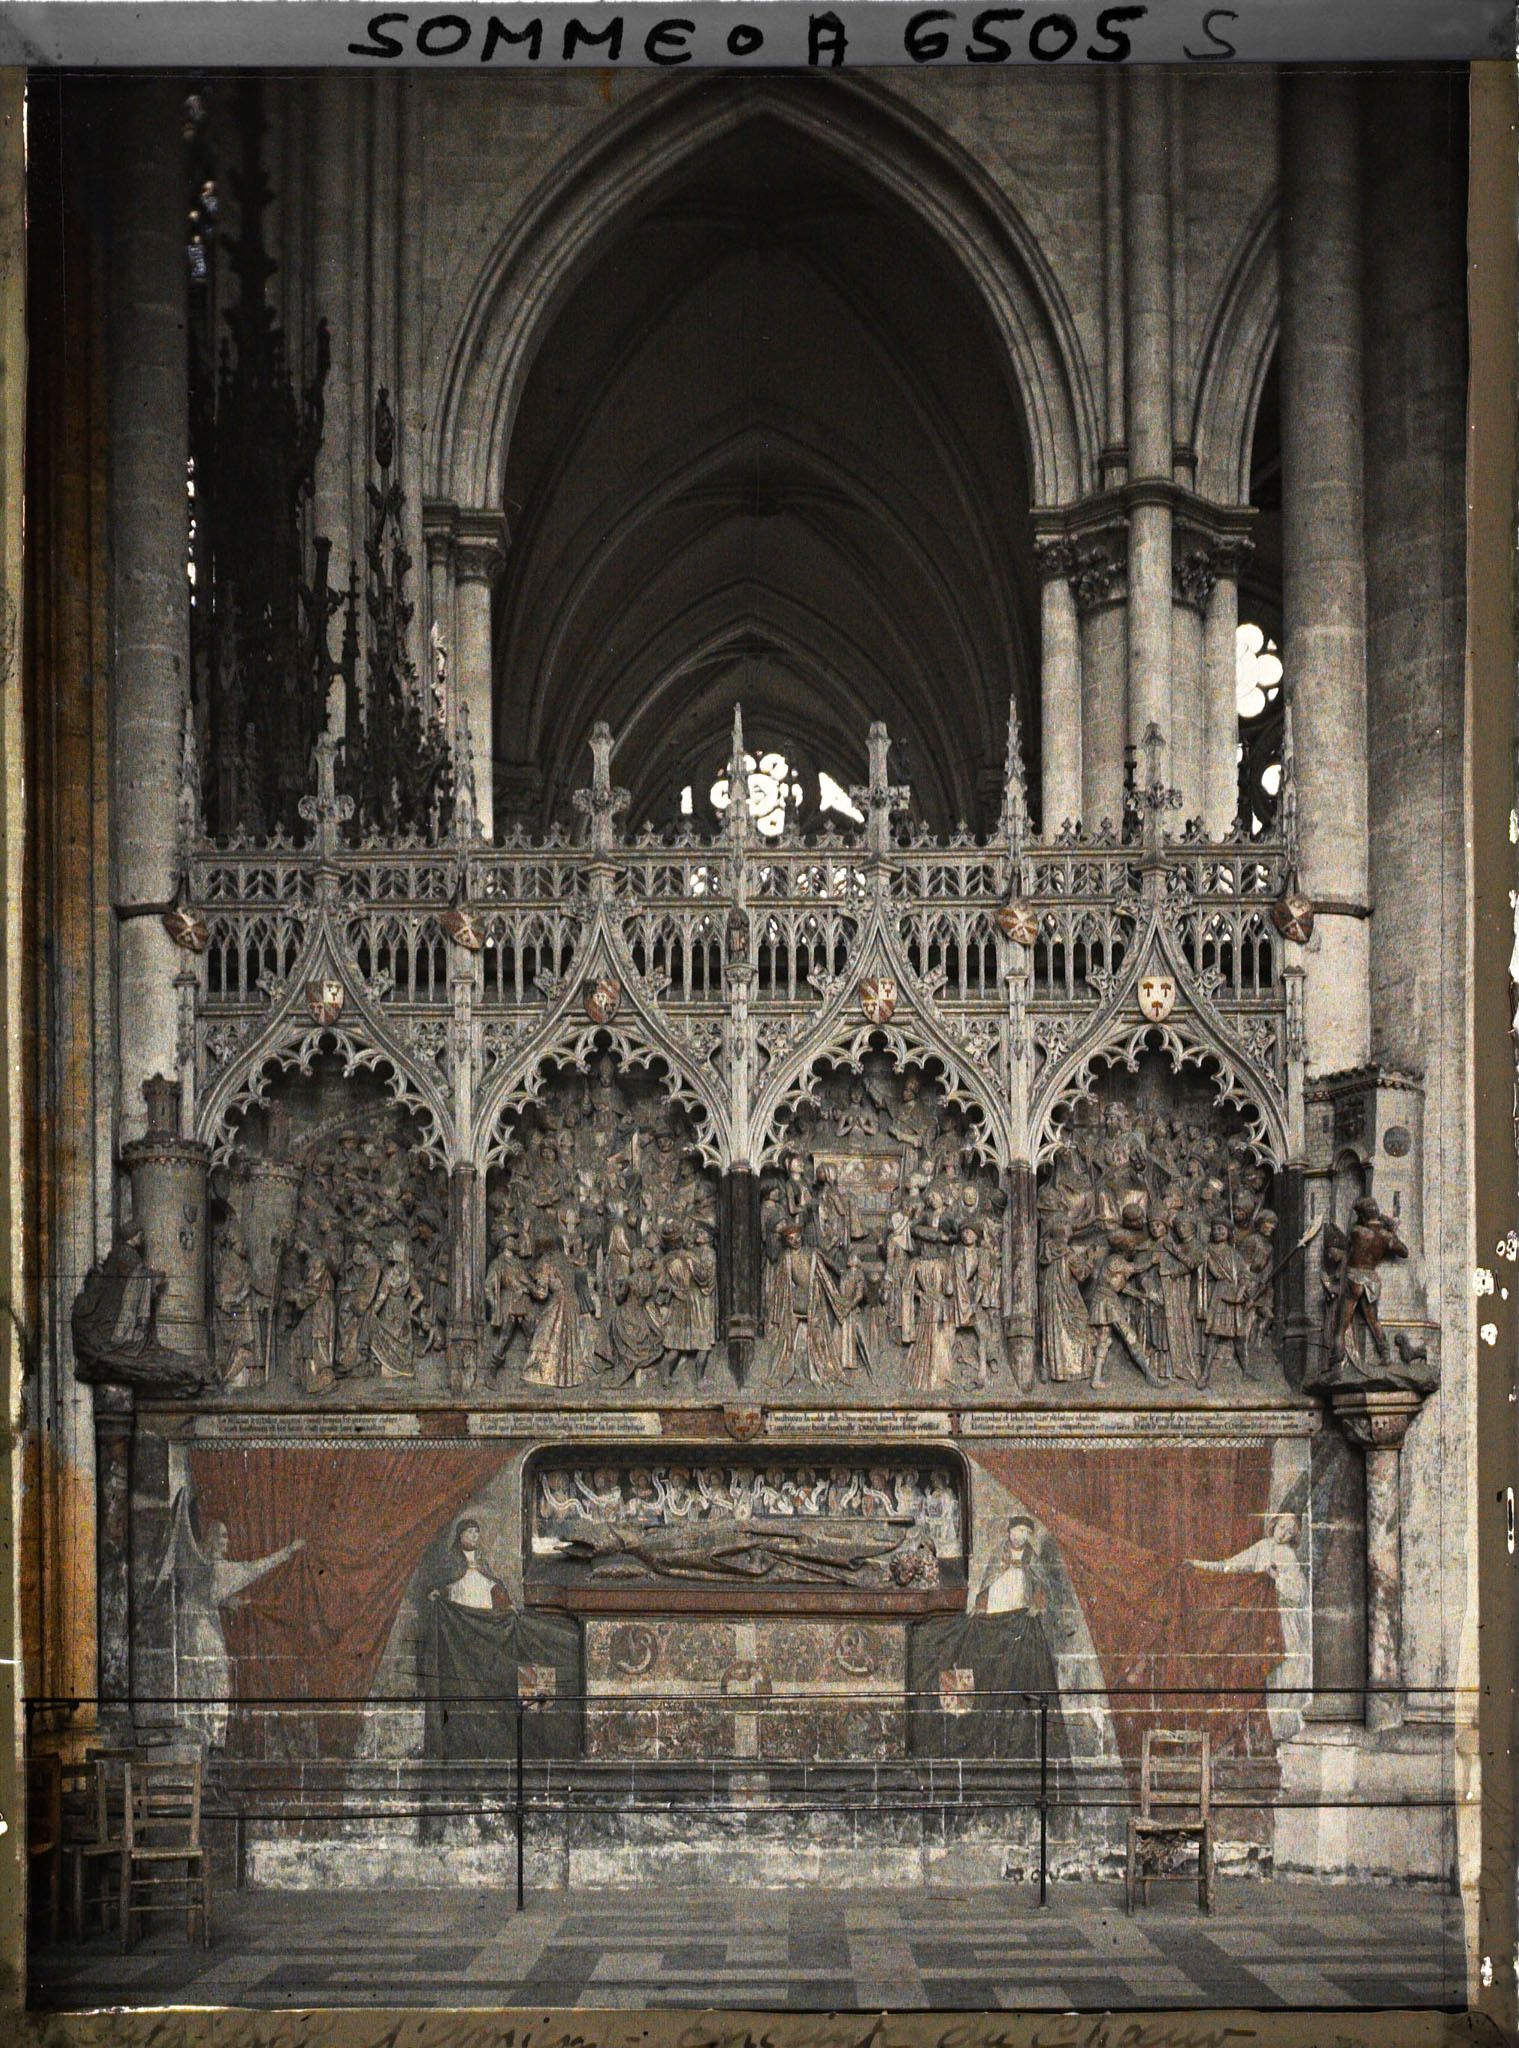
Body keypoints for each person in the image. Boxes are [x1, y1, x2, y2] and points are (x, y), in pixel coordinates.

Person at [154, 1492, 305, 1751]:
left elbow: (205, 1595)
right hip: (203, 1635)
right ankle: (211, 1741)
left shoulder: (202, 1568)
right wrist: (288, 1551)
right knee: (215, 1681)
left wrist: (227, 1602)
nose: (227, 1541)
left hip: (192, 1629)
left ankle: (203, 1740)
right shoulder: (218, 1569)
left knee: (201, 1685)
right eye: (223, 1536)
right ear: (212, 1539)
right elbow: (253, 1568)